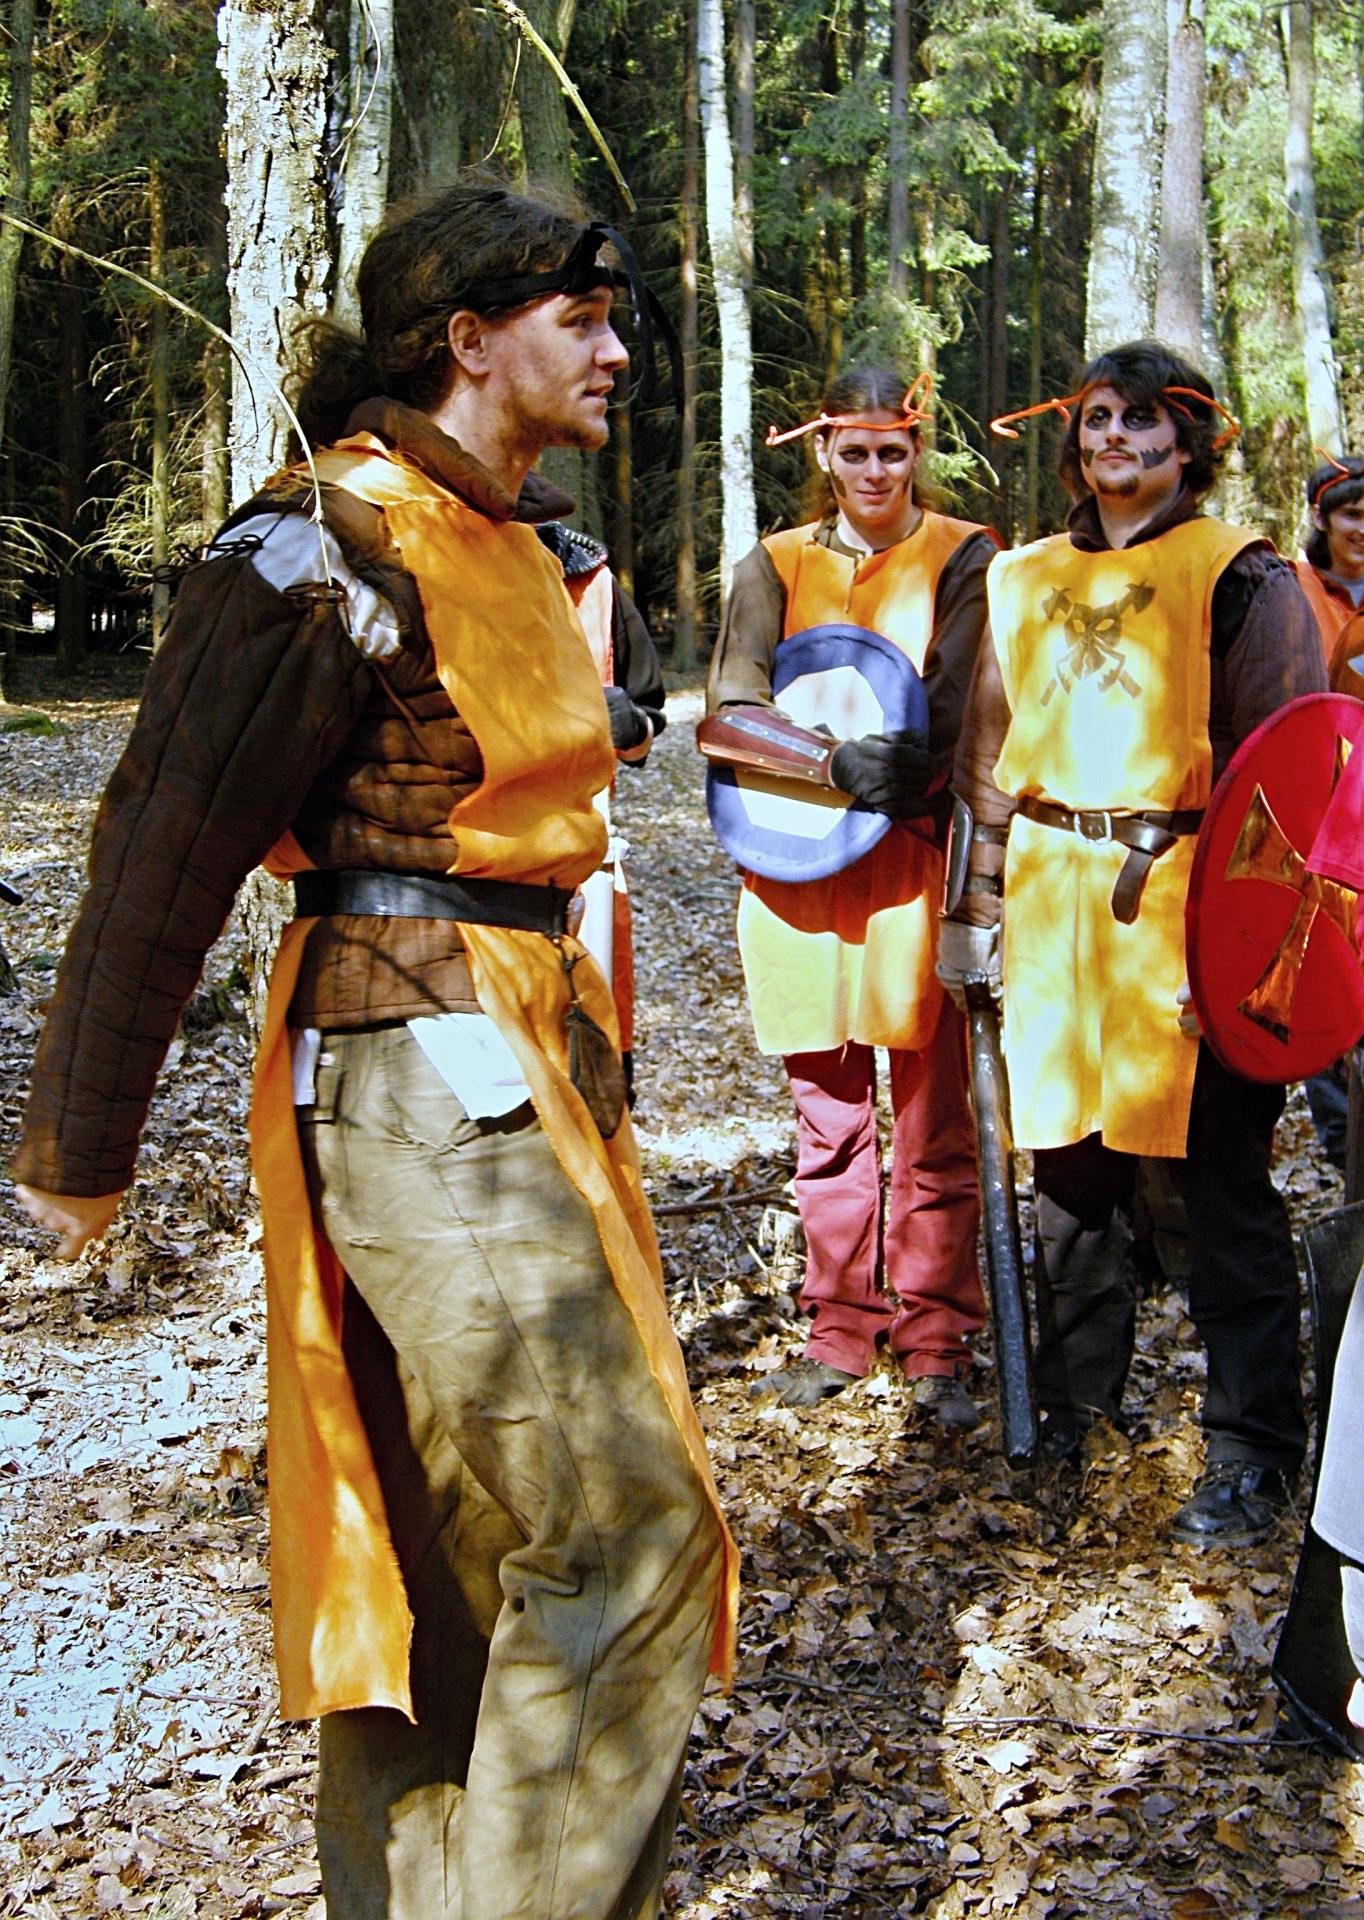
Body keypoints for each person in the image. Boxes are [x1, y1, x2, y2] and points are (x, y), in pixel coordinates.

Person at [13, 180, 735, 1918]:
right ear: (465, 339)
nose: (616, 352)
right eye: (580, 321)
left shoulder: (516, 542)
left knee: (468, 1552)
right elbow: (164, 843)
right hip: (416, 1058)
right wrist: (80, 1148)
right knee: (629, 1531)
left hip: (514, 1048)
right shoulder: (321, 542)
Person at [940, 339, 1325, 1544]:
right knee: (1069, 1177)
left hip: (1185, 903)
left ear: (1187, 441)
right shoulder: (1020, 578)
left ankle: (1250, 1447)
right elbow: (983, 764)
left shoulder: (1239, 576)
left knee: (1216, 1183)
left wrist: (1248, 963)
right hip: (1053, 899)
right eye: (1098, 417)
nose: (1114, 437)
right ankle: (1077, 1409)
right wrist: (970, 912)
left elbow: (1284, 790)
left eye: (1142, 419)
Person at [707, 365, 994, 1429]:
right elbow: (728, 713)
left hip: (915, 863)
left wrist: (910, 771)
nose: (874, 470)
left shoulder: (964, 554)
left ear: (916, 450)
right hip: (793, 867)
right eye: (855, 451)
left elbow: (962, 706)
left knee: (931, 1121)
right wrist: (828, 764)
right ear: (822, 451)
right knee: (826, 1120)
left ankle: (935, 1340)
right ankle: (838, 1329)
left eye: (893, 450)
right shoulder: (773, 563)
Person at [537, 521, 664, 1101]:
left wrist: (631, 727)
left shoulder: (591, 582)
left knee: (591, 1063)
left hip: (585, 861)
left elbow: (647, 718)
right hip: (466, 866)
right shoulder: (436, 554)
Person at [1295, 453, 1364, 1171]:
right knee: (1323, 981)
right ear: (1322, 516)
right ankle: (1344, 1150)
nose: (1363, 530)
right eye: (1352, 514)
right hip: (1316, 820)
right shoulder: (1292, 591)